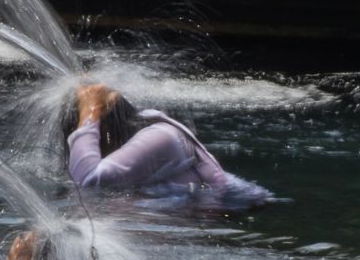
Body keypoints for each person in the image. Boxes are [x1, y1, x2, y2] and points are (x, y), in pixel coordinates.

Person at [63, 83, 271, 207]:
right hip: (198, 210)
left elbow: (87, 179)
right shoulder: (135, 146)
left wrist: (90, 111)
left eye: (81, 133)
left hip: (236, 208)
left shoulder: (163, 137)